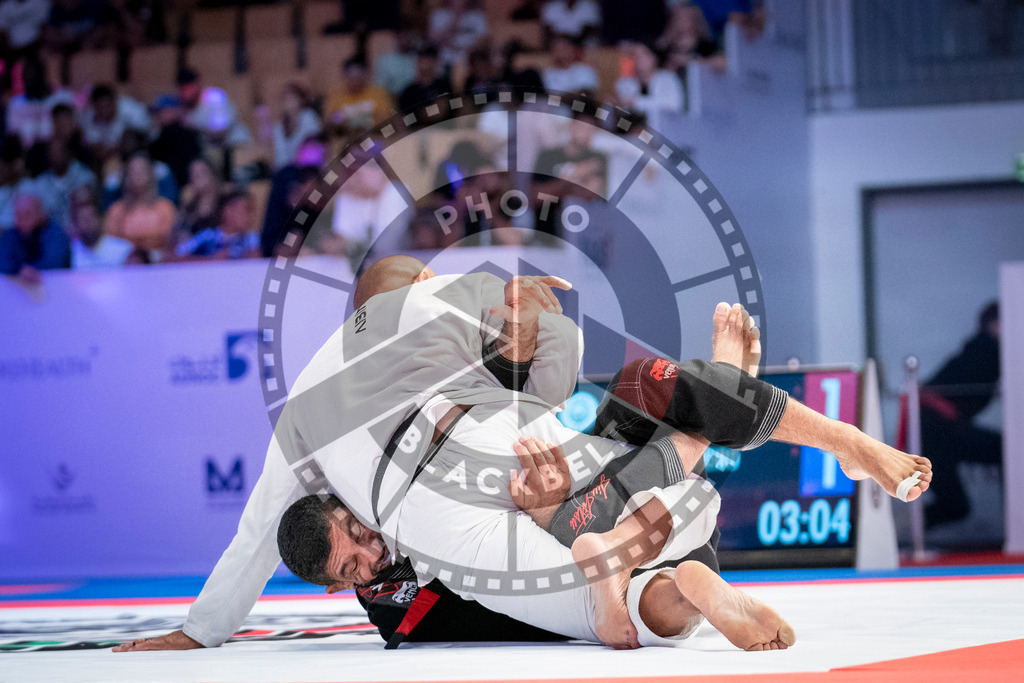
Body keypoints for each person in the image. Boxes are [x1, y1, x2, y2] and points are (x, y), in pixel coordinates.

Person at [114, 260, 932, 653]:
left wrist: (199, 631)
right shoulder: (426, 317)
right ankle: (826, 441)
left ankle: (651, 590)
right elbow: (553, 352)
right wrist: (514, 299)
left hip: (467, 493)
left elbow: (255, 535)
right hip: (500, 467)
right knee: (650, 408)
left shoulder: (328, 398)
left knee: (600, 534)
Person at [921, 301, 1002, 528]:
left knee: (956, 506)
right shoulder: (987, 348)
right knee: (956, 506)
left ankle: (906, 531)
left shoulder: (981, 349)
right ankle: (903, 531)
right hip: (937, 432)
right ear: (994, 324)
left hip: (939, 432)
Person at [103, 152, 176, 260]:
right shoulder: (116, 211)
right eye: (133, 171)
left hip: (161, 265)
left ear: (150, 173)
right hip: (125, 265)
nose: (138, 175)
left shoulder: (165, 207)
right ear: (126, 176)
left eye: (142, 170)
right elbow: (111, 246)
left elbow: (172, 243)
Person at [0, 191, 70, 283]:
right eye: (18, 214)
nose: (22, 219)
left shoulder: (55, 234)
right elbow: (3, 263)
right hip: (15, 293)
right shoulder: (9, 236)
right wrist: (20, 269)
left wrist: (33, 269)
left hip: (55, 290)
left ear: (40, 213)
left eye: (27, 213)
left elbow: (55, 262)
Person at [615, 43, 684, 132]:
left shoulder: (668, 78)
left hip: (664, 132)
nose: (638, 60)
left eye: (643, 55)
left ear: (654, 57)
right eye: (634, 55)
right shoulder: (624, 82)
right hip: (631, 132)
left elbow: (673, 105)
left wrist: (635, 102)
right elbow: (619, 114)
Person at [174, 189, 260, 261]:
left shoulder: (251, 239)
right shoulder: (208, 236)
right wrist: (211, 260)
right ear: (228, 211)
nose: (251, 216)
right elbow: (176, 256)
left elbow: (257, 264)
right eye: (247, 210)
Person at [79, 83, 152, 164]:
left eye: (106, 106)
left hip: (139, 151)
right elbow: (92, 143)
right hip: (107, 158)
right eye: (100, 107)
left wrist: (116, 147)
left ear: (114, 101)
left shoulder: (132, 110)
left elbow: (141, 138)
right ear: (94, 106)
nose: (104, 111)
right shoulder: (89, 117)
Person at [324, 55, 395, 136]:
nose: (356, 81)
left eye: (359, 76)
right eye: (352, 77)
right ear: (344, 76)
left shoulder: (379, 93)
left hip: (375, 137)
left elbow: (387, 119)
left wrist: (366, 125)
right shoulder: (336, 95)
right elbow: (329, 122)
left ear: (366, 75)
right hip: (345, 138)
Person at [148, 94, 203, 190]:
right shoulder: (191, 133)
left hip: (176, 186)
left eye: (161, 111)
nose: (157, 116)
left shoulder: (171, 133)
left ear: (174, 111)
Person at [266, 83, 321, 170]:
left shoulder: (309, 116)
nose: (289, 102)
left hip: (309, 166)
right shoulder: (278, 127)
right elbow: (280, 157)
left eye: (292, 98)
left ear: (301, 100)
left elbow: (312, 144)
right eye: (285, 99)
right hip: (289, 168)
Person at [69, 195, 132, 269]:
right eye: (83, 219)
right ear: (75, 224)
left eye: (90, 218)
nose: (88, 223)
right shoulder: (70, 252)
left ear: (100, 220)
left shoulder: (123, 249)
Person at [427, 0, 488, 68]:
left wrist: (467, 49)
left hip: (470, 60)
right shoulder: (439, 15)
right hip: (445, 60)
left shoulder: (477, 16)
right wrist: (454, 21)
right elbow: (433, 38)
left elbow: (484, 39)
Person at [397, 44, 452, 115]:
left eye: (428, 60)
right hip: (418, 125)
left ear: (435, 62)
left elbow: (451, 109)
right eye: (421, 60)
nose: (424, 65)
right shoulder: (409, 92)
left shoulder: (444, 86)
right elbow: (406, 116)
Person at [174, 157, 221, 239]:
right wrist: (184, 206)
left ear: (212, 175)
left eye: (202, 172)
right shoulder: (189, 206)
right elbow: (176, 234)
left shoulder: (222, 202)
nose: (197, 176)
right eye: (193, 173)